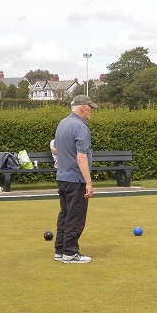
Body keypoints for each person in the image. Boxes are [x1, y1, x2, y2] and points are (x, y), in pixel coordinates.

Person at [53, 95, 98, 264]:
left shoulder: (62, 123)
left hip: (62, 177)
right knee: (75, 216)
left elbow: (56, 150)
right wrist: (89, 182)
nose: (92, 111)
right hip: (75, 178)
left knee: (65, 214)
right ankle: (70, 252)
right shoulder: (80, 127)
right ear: (83, 108)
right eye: (90, 108)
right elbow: (81, 157)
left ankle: (60, 250)